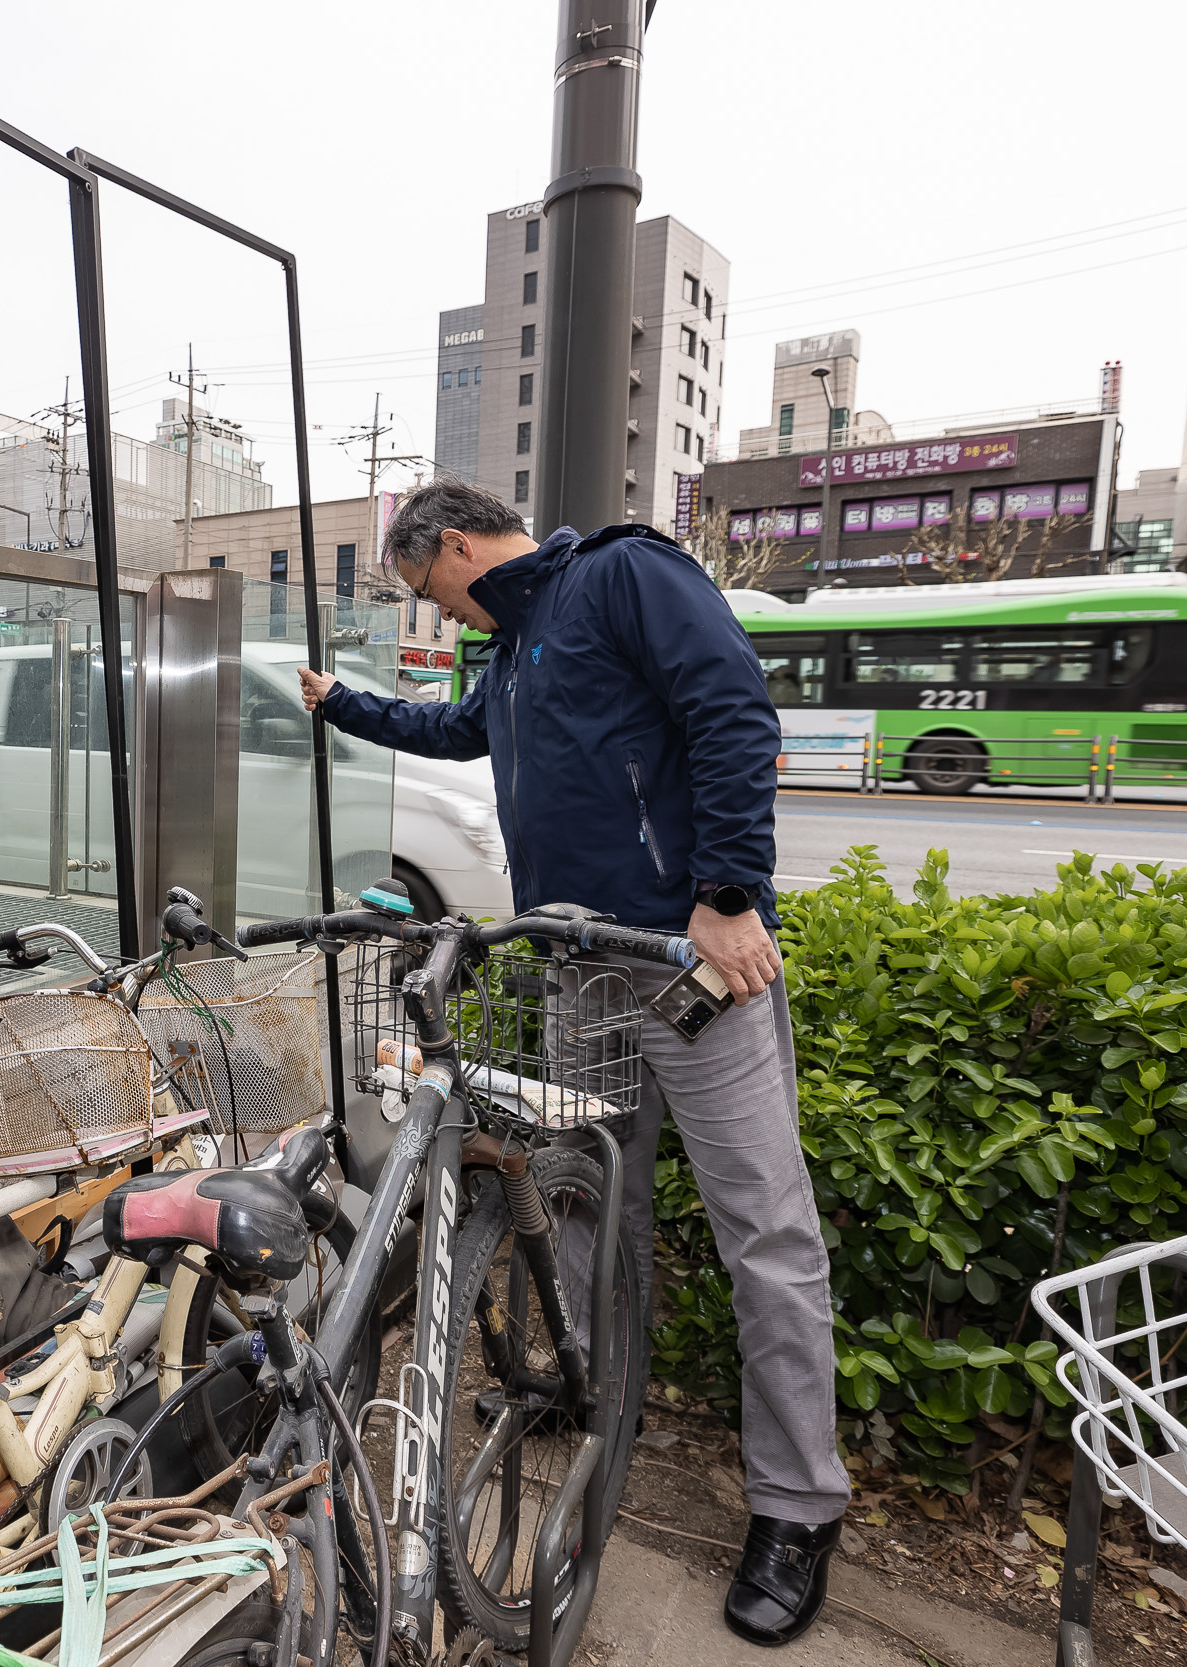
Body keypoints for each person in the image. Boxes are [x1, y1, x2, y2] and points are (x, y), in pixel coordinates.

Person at [296, 479, 849, 1648]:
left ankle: (798, 1507)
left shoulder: (620, 575)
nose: (436, 614)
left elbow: (734, 712)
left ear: (450, 544)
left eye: (425, 590)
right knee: (586, 1202)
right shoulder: (508, 654)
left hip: (689, 962)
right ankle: (593, 1398)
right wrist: (340, 700)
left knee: (767, 1231)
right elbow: (452, 732)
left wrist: (729, 895)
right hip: (577, 964)